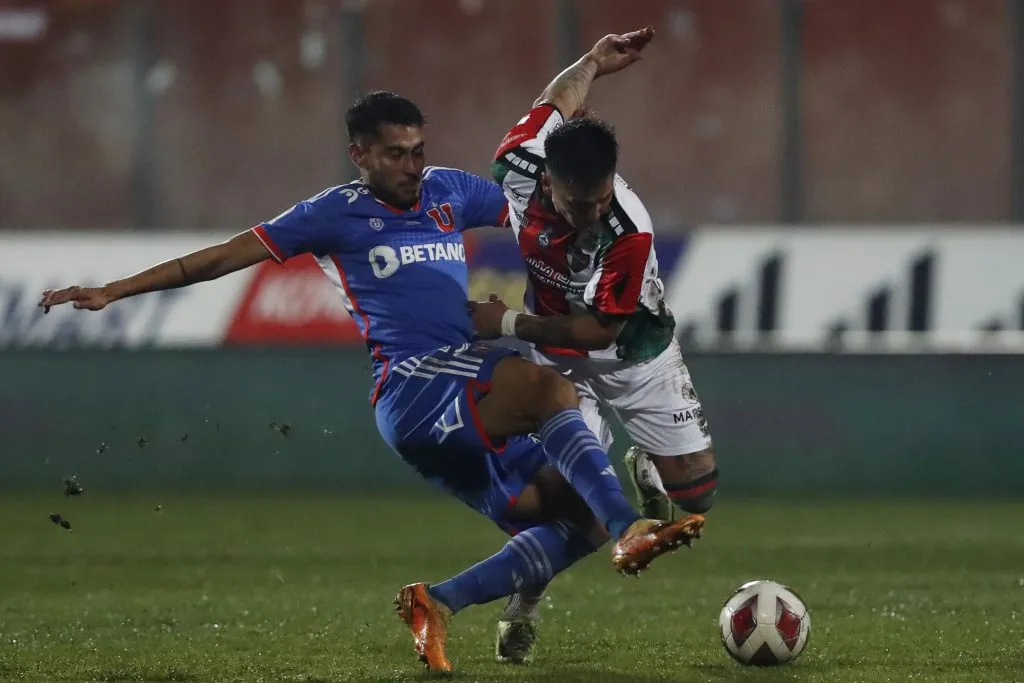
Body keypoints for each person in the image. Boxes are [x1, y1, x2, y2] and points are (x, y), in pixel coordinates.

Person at [39, 85, 704, 673]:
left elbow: (540, 202)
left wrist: (582, 131)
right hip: (416, 383)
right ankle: (631, 527)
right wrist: (112, 291)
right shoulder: (334, 213)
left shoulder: (449, 192)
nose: (413, 166)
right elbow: (218, 258)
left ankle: (438, 600)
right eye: (396, 154)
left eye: (418, 150)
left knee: (572, 515)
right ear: (359, 155)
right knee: (552, 393)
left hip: (464, 386)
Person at [469, 24, 718, 664]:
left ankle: (649, 466)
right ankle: (522, 607)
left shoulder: (627, 231)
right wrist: (593, 62)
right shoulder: (517, 162)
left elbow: (597, 332)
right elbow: (557, 100)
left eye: (600, 198)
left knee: (697, 498)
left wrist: (505, 324)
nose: (589, 213)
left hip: (635, 351)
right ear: (546, 179)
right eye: (578, 203)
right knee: (574, 501)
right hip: (557, 363)